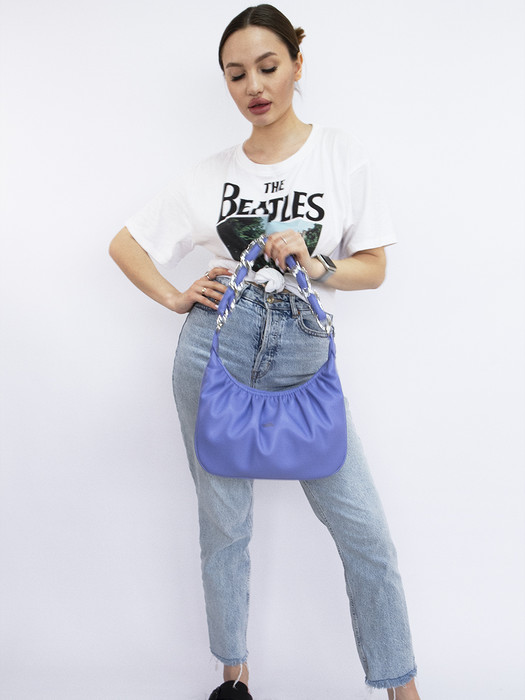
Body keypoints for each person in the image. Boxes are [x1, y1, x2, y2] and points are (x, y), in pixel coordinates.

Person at [109, 5, 421, 699]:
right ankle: (234, 680)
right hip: (215, 350)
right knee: (224, 523)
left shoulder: (339, 153)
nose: (254, 86)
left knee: (365, 532)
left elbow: (373, 268)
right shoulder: (210, 174)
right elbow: (125, 244)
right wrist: (174, 297)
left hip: (302, 354)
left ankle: (402, 689)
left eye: (268, 67)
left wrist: (316, 265)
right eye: (236, 74)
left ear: (297, 65)